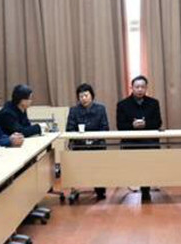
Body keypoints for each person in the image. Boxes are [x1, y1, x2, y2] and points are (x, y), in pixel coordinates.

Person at [115, 75, 163, 203]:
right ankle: (135, 184)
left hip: (149, 142)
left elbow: (158, 122)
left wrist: (145, 124)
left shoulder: (154, 103)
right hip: (131, 142)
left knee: (148, 162)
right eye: (137, 87)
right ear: (132, 88)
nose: (140, 89)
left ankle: (145, 189)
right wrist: (133, 125)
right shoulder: (122, 104)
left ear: (146, 88)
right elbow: (120, 126)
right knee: (134, 164)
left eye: (142, 87)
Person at [66, 83, 110, 200]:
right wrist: (82, 139)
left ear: (92, 96)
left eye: (86, 95)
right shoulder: (74, 110)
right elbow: (69, 129)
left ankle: (100, 190)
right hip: (79, 145)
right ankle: (75, 189)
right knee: (76, 167)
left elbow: (105, 128)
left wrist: (93, 139)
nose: (83, 99)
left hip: (97, 144)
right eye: (81, 96)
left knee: (99, 167)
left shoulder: (100, 109)